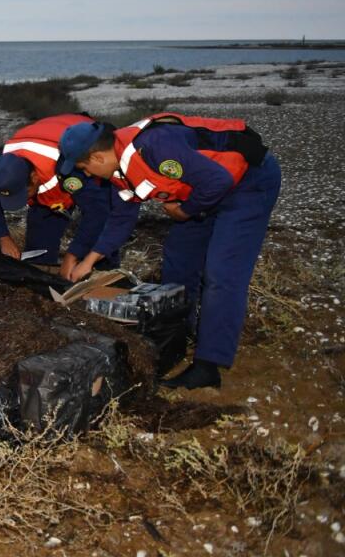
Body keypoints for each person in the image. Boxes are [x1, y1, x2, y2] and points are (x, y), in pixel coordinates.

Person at [56, 113, 280, 390]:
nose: (87, 175)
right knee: (179, 257)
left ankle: (208, 366)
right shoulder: (118, 172)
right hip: (202, 191)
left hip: (247, 183)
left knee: (222, 272)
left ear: (98, 158)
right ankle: (179, 332)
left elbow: (218, 181)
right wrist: (89, 260)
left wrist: (184, 211)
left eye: (84, 168)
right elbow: (121, 219)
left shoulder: (155, 147)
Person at [0, 114, 139, 277]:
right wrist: (3, 237)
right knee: (38, 256)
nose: (22, 202)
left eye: (24, 193)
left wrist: (73, 256)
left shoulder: (75, 167)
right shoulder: (5, 169)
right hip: (50, 171)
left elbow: (97, 213)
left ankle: (104, 279)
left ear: (35, 178)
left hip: (87, 150)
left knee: (97, 245)